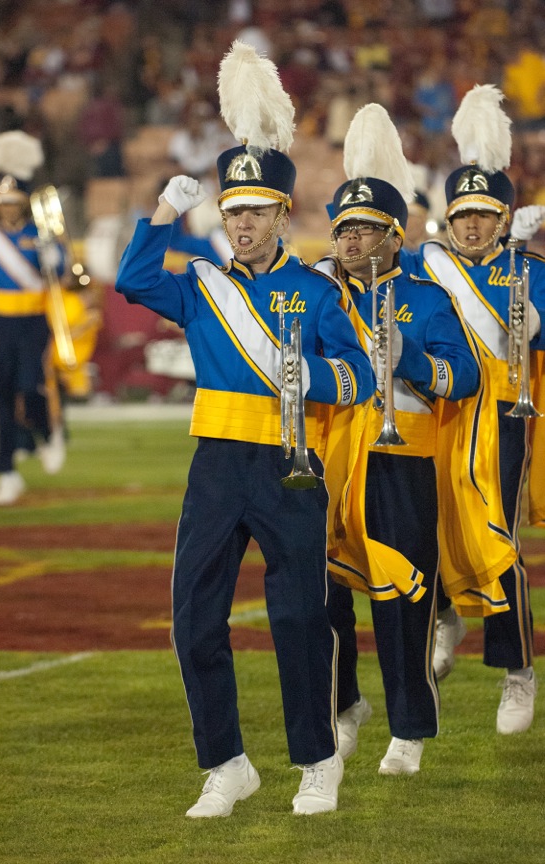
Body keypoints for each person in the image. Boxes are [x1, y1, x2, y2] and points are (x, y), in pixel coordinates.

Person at [115, 41, 375, 818]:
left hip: (290, 463)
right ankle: (226, 763)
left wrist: (315, 380)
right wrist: (166, 208)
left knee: (299, 616)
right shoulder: (201, 287)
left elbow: (360, 375)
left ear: (280, 214)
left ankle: (316, 760)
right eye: (233, 212)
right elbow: (131, 281)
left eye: (256, 212)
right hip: (217, 463)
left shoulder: (317, 289)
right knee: (194, 615)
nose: (244, 225)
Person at [315, 104, 489, 775]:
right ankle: (344, 703)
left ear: (394, 235)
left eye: (363, 227)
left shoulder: (425, 295)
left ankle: (409, 729)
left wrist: (410, 358)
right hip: (332, 463)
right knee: (322, 596)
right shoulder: (319, 291)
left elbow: (466, 376)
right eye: (343, 226)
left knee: (403, 600)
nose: (350, 238)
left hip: (402, 461)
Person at [406, 85, 545, 733]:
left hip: (501, 421)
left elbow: (537, 335)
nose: (471, 224)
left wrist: (524, 281)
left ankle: (517, 670)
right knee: (419, 525)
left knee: (495, 539)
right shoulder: (426, 266)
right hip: (434, 417)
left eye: (485, 215)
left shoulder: (528, 269)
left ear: (501, 218)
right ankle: (444, 616)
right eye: (463, 214)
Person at [0, 131, 67, 505]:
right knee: (2, 396)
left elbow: (59, 272)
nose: (8, 208)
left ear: (22, 203)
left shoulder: (37, 232)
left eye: (14, 202)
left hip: (32, 321)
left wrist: (53, 255)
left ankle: (46, 433)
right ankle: (6, 471)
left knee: (30, 384)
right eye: (3, 202)